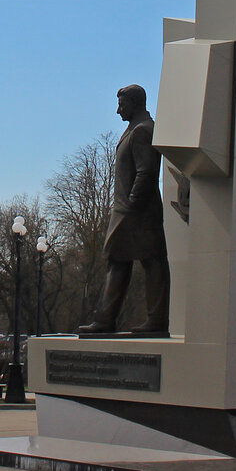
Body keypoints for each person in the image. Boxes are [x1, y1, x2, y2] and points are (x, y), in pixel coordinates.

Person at [79, 84, 170, 335]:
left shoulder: (143, 131)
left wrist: (132, 205)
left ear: (135, 103)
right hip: (129, 209)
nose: (118, 110)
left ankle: (154, 322)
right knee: (121, 261)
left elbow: (147, 171)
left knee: (150, 262)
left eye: (122, 104)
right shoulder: (134, 129)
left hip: (136, 211)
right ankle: (108, 320)